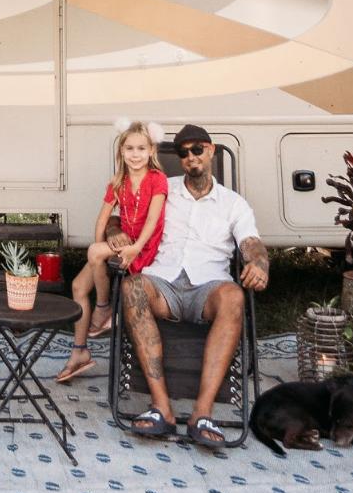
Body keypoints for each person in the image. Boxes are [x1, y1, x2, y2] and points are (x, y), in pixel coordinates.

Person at [122, 122, 269, 450]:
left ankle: (202, 414)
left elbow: (251, 241)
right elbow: (124, 208)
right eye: (183, 152)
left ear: (211, 150)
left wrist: (258, 263)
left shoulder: (233, 203)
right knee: (131, 286)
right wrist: (116, 229)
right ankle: (162, 408)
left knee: (234, 297)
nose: (190, 157)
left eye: (197, 149)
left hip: (209, 287)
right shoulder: (162, 187)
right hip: (164, 282)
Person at [55, 120, 168, 383]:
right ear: (121, 152)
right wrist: (99, 256)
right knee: (78, 286)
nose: (135, 154)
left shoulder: (157, 180)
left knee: (95, 252)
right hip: (118, 249)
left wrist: (134, 247)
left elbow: (153, 220)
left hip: (143, 248)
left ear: (151, 151)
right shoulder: (119, 182)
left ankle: (104, 308)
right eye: (129, 148)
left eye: (141, 148)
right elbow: (102, 219)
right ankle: (80, 352)